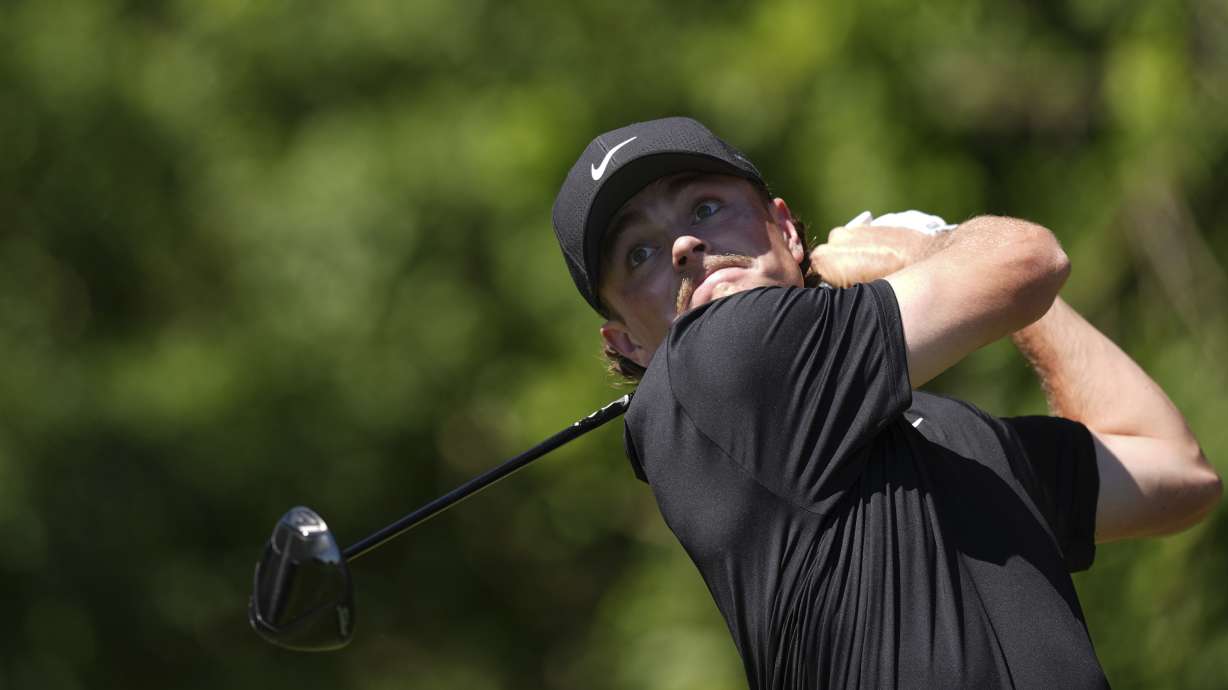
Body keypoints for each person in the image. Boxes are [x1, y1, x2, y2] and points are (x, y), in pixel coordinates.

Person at [551, 116, 1221, 688]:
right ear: (628, 345)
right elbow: (1029, 259)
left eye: (704, 208)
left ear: (785, 229)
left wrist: (1004, 299)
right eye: (639, 254)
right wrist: (933, 248)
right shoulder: (715, 358)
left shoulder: (944, 432)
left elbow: (1175, 472)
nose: (683, 246)